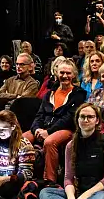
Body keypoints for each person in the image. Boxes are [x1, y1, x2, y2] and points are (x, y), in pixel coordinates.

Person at [39, 103, 104, 199]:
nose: (85, 120)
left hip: (100, 193)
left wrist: (83, 198)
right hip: (77, 191)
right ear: (77, 120)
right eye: (82, 116)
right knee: (45, 193)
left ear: (97, 120)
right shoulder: (71, 145)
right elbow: (68, 178)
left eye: (90, 117)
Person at [22, 58, 87, 190]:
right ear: (57, 73)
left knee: (50, 142)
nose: (65, 76)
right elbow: (39, 115)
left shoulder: (78, 94)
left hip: (66, 129)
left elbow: (69, 118)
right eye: (62, 73)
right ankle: (21, 174)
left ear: (74, 75)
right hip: (44, 127)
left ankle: (50, 180)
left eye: (68, 73)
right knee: (21, 139)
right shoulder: (49, 93)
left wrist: (48, 132)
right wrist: (36, 130)